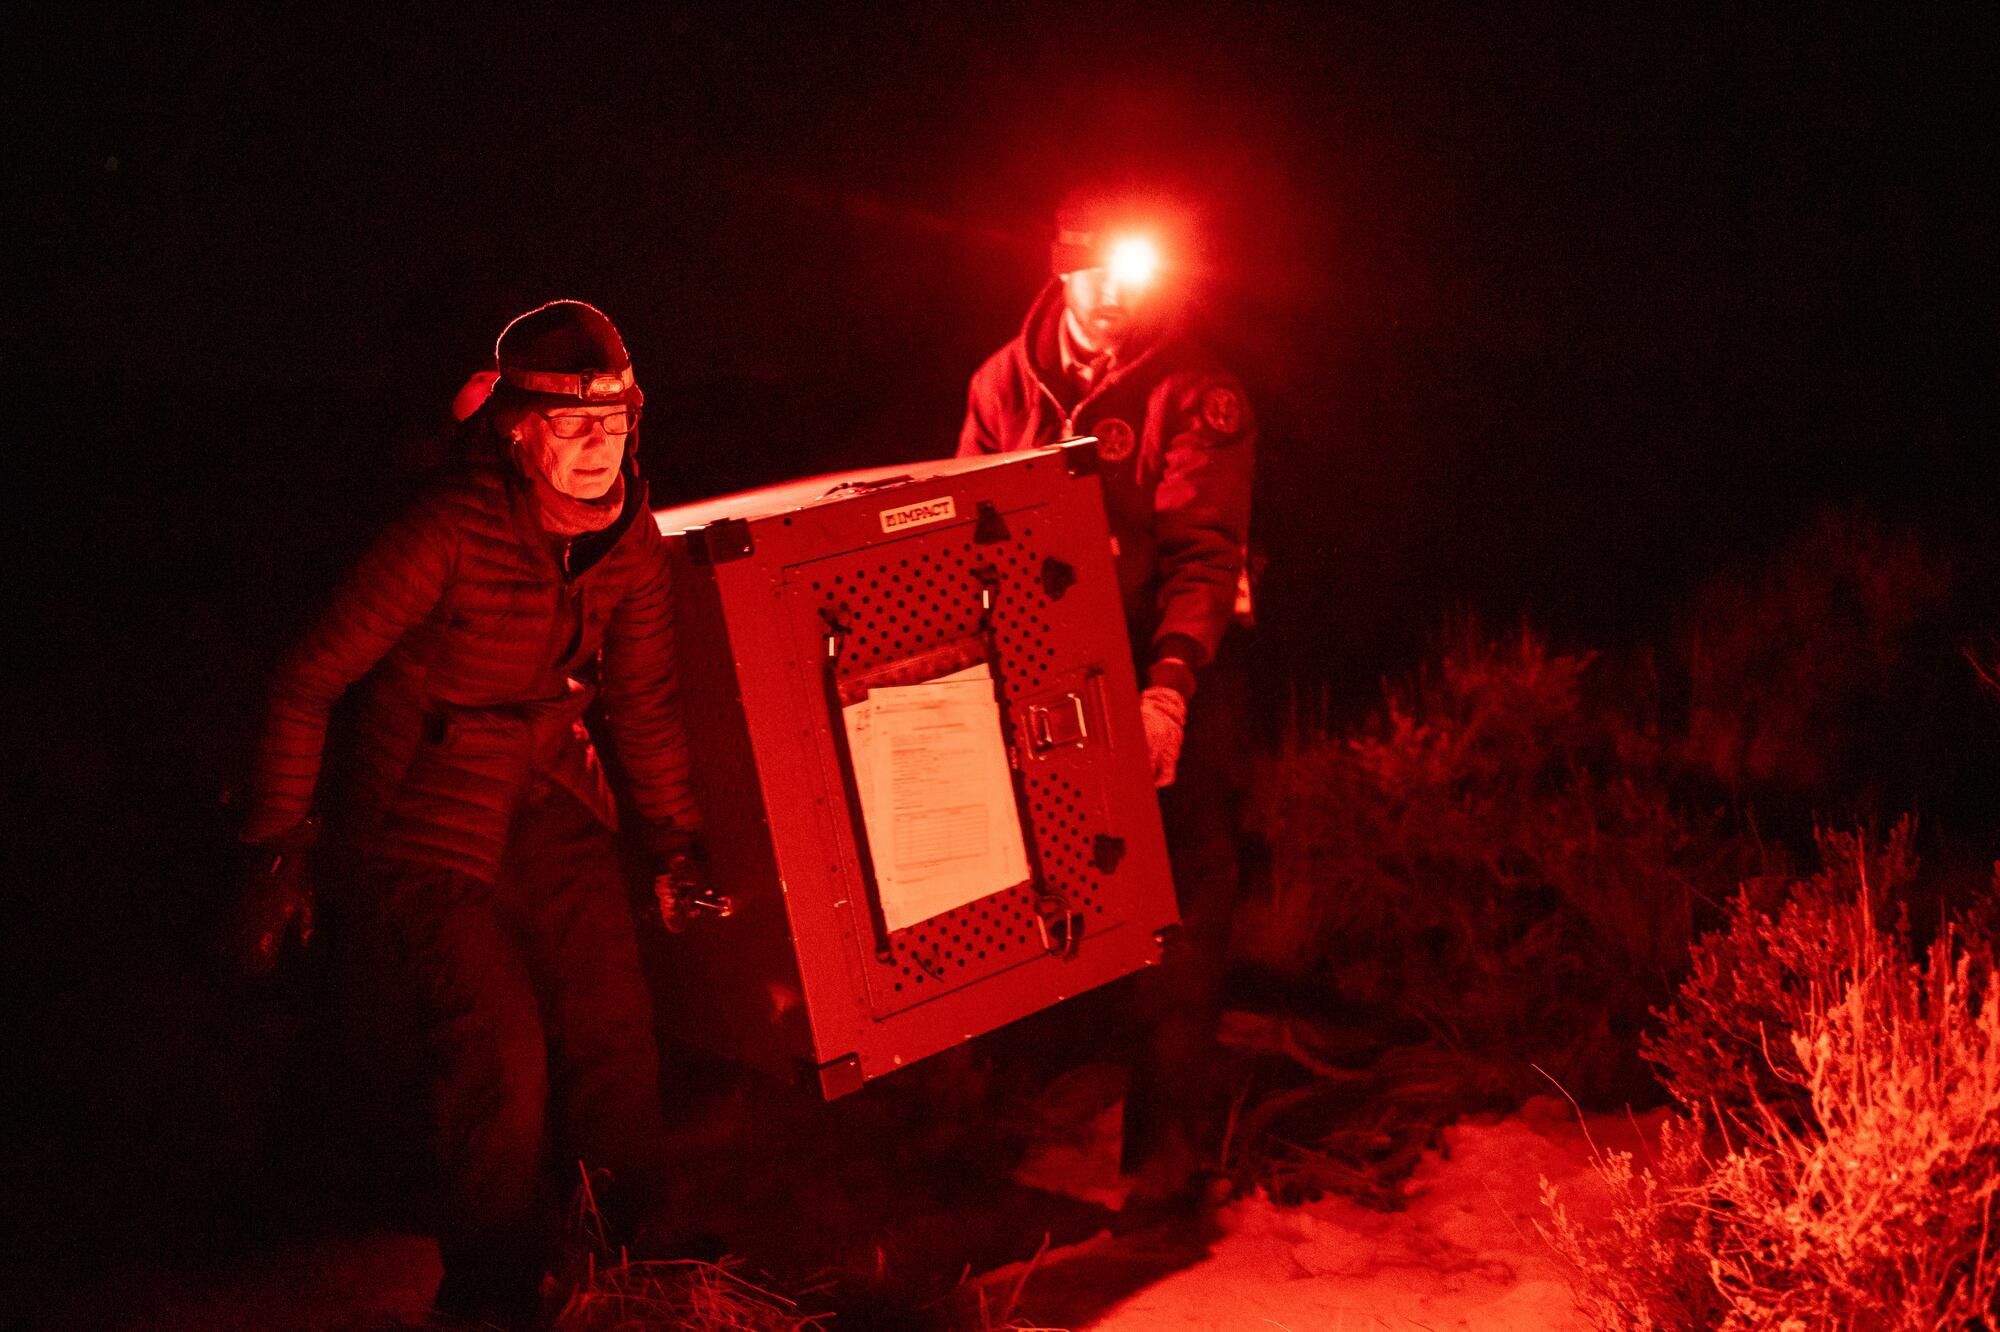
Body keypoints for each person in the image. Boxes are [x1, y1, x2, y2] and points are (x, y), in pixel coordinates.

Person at [226, 300, 702, 1325]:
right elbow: (306, 680)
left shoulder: (630, 539)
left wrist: (673, 843)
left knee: (614, 1024)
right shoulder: (443, 530)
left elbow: (643, 699)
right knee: (499, 1057)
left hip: (548, 790)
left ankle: (637, 1268)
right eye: (572, 425)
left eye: (614, 423)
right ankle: (490, 1295)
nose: (598, 447)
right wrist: (277, 855)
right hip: (426, 811)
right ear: (519, 432)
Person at [957, 184, 1256, 1221]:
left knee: (1179, 899)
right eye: (1098, 270)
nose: (1117, 294)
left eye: (1140, 274)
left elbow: (1204, 557)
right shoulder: (1003, 381)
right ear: (1062, 267)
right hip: (1044, 669)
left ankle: (1163, 1163)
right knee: (1027, 887)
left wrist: (1166, 692)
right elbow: (962, 522)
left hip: (1171, 664)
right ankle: (1008, 1134)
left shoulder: (1197, 391)